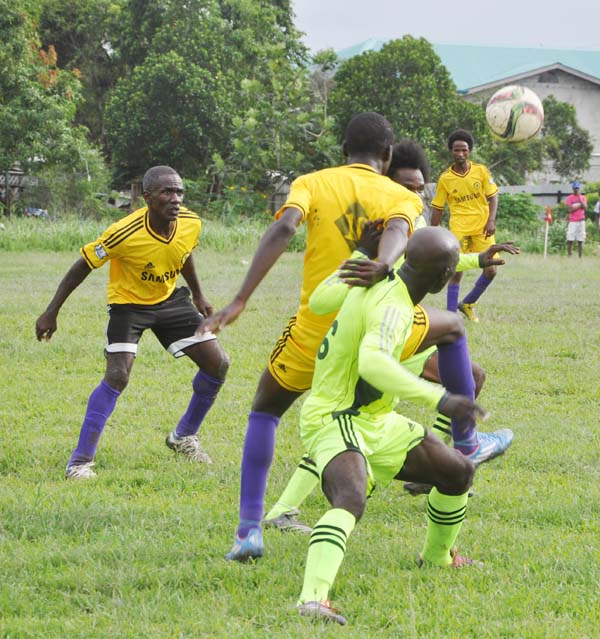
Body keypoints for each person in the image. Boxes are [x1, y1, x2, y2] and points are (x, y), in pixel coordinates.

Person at [198, 113, 424, 561]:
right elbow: (398, 231)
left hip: (313, 334)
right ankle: (465, 440)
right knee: (443, 341)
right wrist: (383, 262)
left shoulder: (313, 182)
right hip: (373, 336)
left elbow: (284, 228)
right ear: (387, 155)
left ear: (343, 150)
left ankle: (249, 531)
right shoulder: (403, 196)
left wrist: (241, 299)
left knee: (265, 410)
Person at [264, 140, 516, 529]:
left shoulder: (412, 219)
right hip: (381, 325)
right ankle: (462, 447)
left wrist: (476, 258)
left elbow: (438, 257)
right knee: (351, 417)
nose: (414, 194)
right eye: (408, 186)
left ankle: (433, 461)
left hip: (397, 324)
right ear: (386, 180)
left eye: (419, 188)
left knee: (467, 374)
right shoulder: (387, 222)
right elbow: (341, 290)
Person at [296, 227, 485, 626]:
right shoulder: (394, 308)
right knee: (350, 497)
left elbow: (319, 300)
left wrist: (362, 253)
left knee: (457, 471)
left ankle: (436, 558)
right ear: (440, 280)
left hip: (377, 419)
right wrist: (442, 398)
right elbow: (373, 364)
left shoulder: (379, 273)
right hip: (336, 417)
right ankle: (312, 600)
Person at [35, 166, 229, 479]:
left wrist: (198, 295)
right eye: (167, 192)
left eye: (179, 192)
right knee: (118, 375)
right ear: (146, 196)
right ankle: (80, 463)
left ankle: (183, 437)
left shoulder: (191, 222)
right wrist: (51, 311)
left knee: (217, 364)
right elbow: (83, 265)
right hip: (128, 306)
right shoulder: (123, 232)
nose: (175, 199)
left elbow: (184, 253)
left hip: (169, 302)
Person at [431, 129, 499, 323]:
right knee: (456, 271)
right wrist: (432, 233)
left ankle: (468, 303)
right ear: (451, 152)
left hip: (482, 228)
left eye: (464, 150)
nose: (460, 154)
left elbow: (493, 197)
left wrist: (491, 219)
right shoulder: (445, 178)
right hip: (459, 229)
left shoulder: (481, 171)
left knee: (491, 269)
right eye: (456, 150)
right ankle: (451, 317)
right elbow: (437, 208)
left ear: (469, 151)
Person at [565, 180, 587, 258]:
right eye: (575, 188)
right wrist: (579, 206)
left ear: (579, 188)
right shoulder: (569, 198)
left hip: (581, 221)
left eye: (577, 188)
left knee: (580, 240)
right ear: (573, 189)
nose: (576, 190)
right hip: (573, 221)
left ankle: (580, 257)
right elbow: (570, 210)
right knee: (570, 238)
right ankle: (569, 255)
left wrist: (580, 200)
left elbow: (585, 207)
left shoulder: (583, 197)